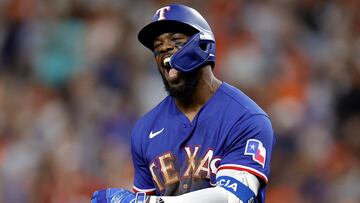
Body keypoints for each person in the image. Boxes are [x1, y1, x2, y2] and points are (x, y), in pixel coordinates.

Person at [91, 4, 275, 203]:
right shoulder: (145, 129)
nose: (164, 49)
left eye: (176, 40)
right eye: (157, 47)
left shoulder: (246, 117)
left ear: (204, 45)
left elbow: (234, 197)